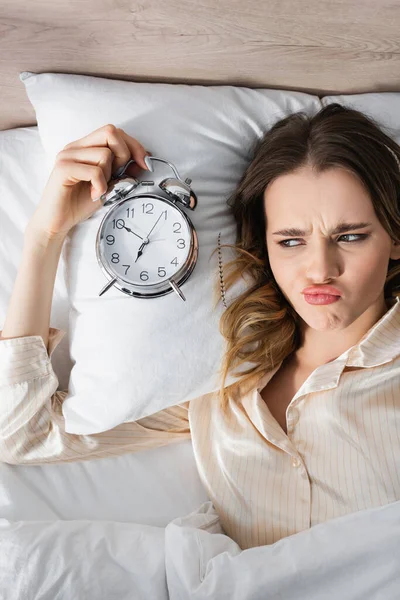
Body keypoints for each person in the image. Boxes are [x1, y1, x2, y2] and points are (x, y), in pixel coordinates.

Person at [1, 103, 400, 551]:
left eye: (349, 236)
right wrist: (45, 235)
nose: (320, 269)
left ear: (395, 236)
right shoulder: (219, 377)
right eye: (291, 241)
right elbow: (24, 432)